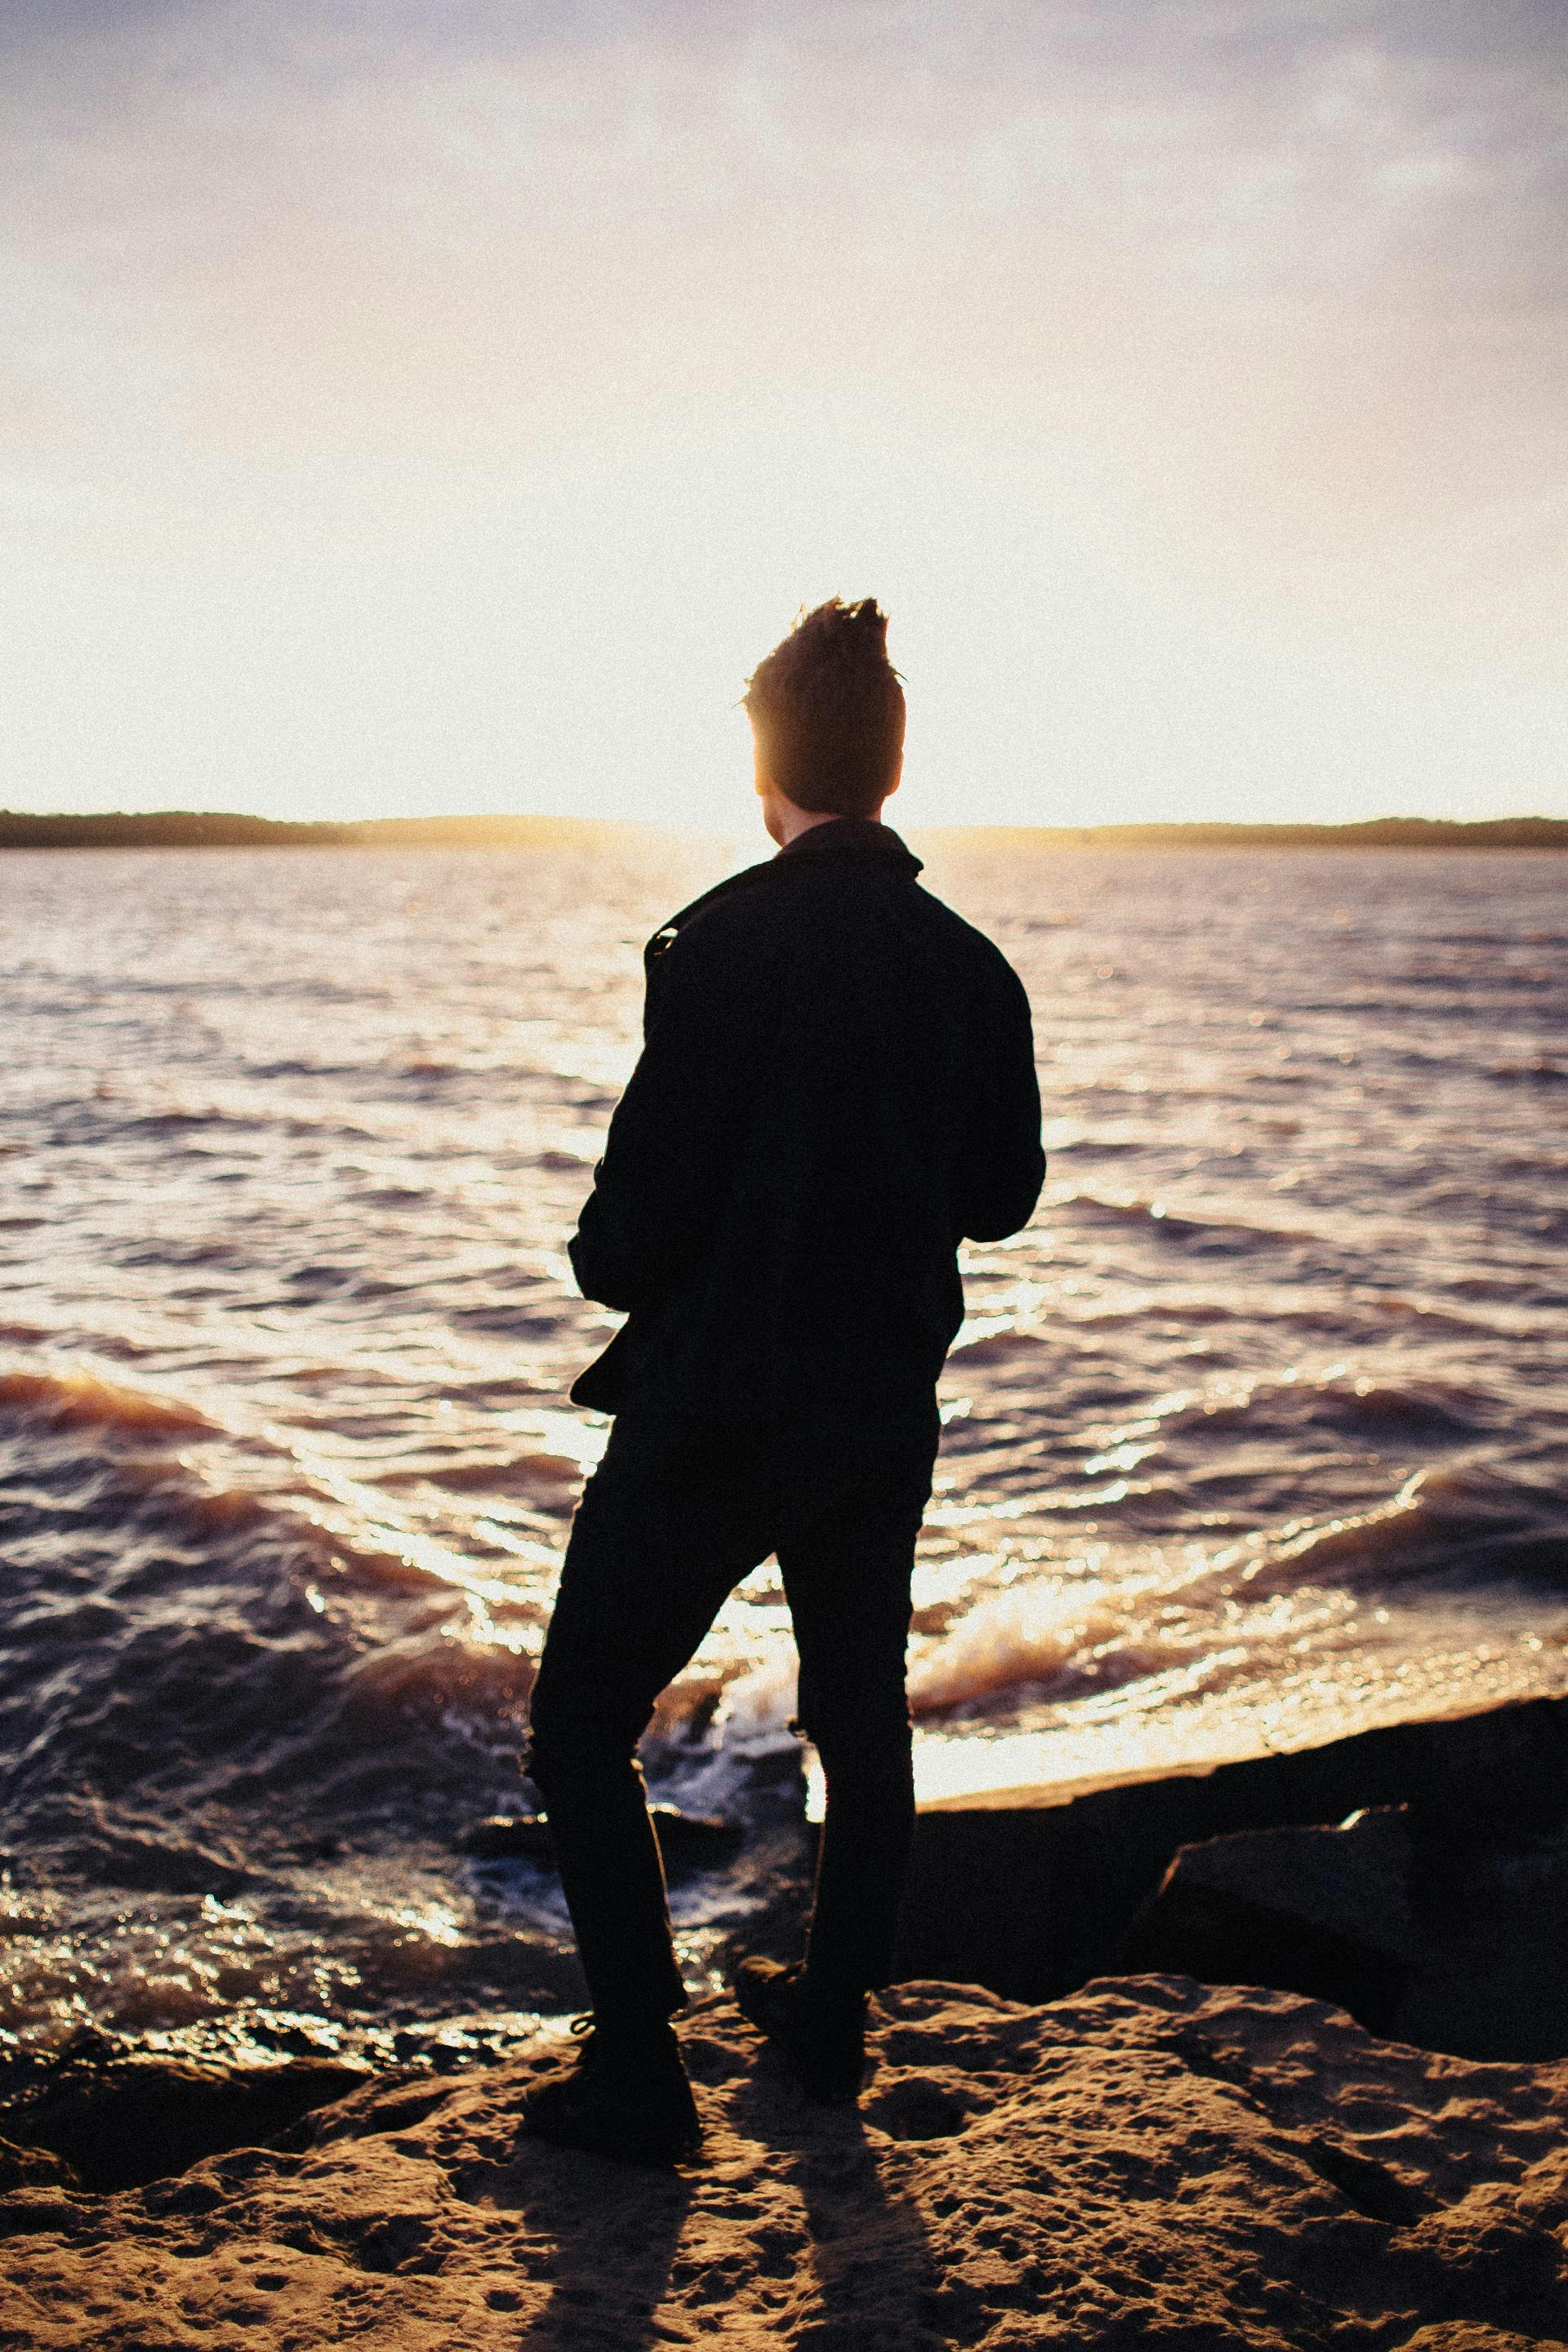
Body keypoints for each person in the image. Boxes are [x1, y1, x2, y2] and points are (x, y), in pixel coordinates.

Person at [521, 598, 1045, 2163]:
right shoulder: (973, 966)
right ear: (890, 770)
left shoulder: (716, 945)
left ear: (766, 771)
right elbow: (1002, 1199)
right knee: (860, 1713)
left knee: (576, 1733)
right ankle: (832, 2031)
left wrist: (610, 1245)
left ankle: (640, 2071)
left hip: (716, 1406)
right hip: (878, 1403)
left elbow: (627, 1245)